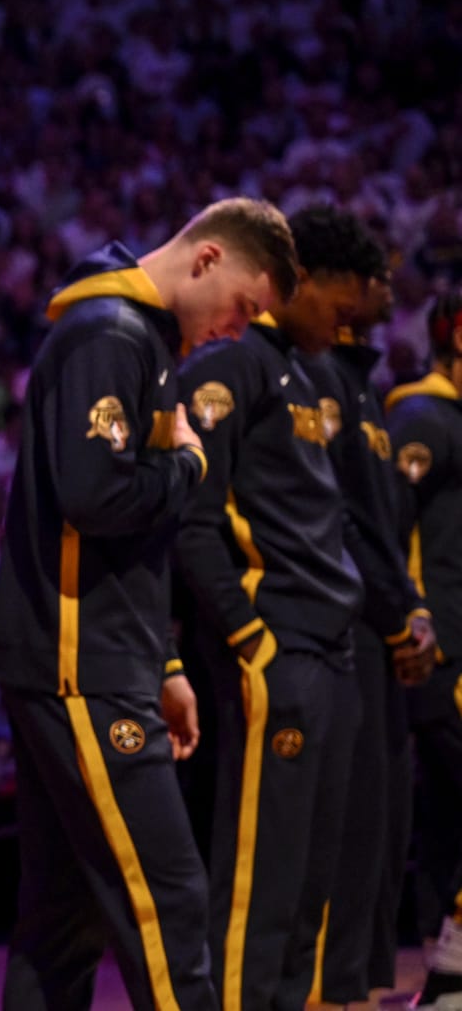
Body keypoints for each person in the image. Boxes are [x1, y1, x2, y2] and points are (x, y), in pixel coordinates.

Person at [0, 199, 298, 1011]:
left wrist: (165, 660)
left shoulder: (139, 337)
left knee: (64, 918)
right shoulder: (110, 333)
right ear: (206, 260)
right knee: (170, 894)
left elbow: (129, 544)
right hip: (78, 664)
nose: (239, 330)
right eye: (244, 309)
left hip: (95, 655)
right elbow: (96, 496)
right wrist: (188, 468)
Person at [176, 206, 385, 1010]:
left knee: (309, 884)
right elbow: (195, 525)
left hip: (330, 648)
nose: (350, 325)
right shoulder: (232, 367)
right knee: (261, 882)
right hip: (280, 648)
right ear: (299, 281)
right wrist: (250, 635)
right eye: (341, 306)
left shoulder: (309, 373)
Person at [301, 263, 436, 1007]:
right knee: (346, 823)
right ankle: (327, 987)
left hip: (383, 624)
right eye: (374, 274)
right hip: (344, 629)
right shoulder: (318, 381)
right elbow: (340, 523)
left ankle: (353, 985)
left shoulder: (367, 393)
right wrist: (395, 611)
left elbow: (387, 528)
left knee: (383, 826)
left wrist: (408, 605)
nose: (390, 286)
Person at [385, 290, 462, 1009]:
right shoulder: (423, 417)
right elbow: (384, 530)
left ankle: (444, 981)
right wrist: (413, 627)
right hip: (438, 657)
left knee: (444, 818)